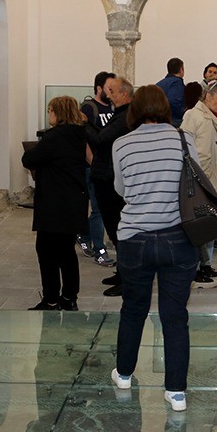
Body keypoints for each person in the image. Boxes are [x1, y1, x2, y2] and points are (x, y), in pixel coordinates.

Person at [110, 85, 201, 412]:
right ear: (164, 108)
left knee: (133, 309)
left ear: (134, 110)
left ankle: (124, 373)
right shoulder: (184, 138)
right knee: (175, 316)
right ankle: (176, 392)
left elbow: (121, 189)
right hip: (178, 237)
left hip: (135, 238)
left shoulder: (121, 143)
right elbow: (192, 181)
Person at [21, 96, 88, 310]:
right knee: (67, 252)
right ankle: (69, 298)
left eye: (50, 110)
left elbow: (28, 159)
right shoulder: (80, 134)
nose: (49, 114)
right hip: (73, 201)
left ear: (58, 113)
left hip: (53, 204)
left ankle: (50, 299)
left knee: (46, 251)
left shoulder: (53, 137)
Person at [181, 81, 217, 287]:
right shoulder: (194, 116)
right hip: (201, 184)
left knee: (209, 226)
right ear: (208, 96)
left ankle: (206, 265)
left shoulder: (209, 117)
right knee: (199, 226)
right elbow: (189, 153)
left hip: (211, 183)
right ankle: (195, 269)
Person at [87, 77, 134, 296]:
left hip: (111, 180)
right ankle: (121, 273)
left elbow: (100, 140)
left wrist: (82, 122)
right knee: (113, 228)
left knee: (118, 228)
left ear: (125, 94)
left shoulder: (125, 116)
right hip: (106, 176)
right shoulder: (120, 114)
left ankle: (127, 279)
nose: (109, 95)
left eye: (113, 91)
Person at [79, 71, 116, 267]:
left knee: (99, 207)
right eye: (109, 88)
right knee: (98, 208)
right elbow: (83, 137)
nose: (111, 92)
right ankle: (99, 250)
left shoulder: (111, 107)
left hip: (106, 166)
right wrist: (92, 161)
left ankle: (84, 235)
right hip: (92, 167)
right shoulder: (89, 107)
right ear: (99, 88)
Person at [156, 57, 187, 125]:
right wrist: (182, 113)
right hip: (173, 121)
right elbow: (173, 101)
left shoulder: (159, 84)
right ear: (181, 69)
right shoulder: (177, 83)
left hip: (158, 121)